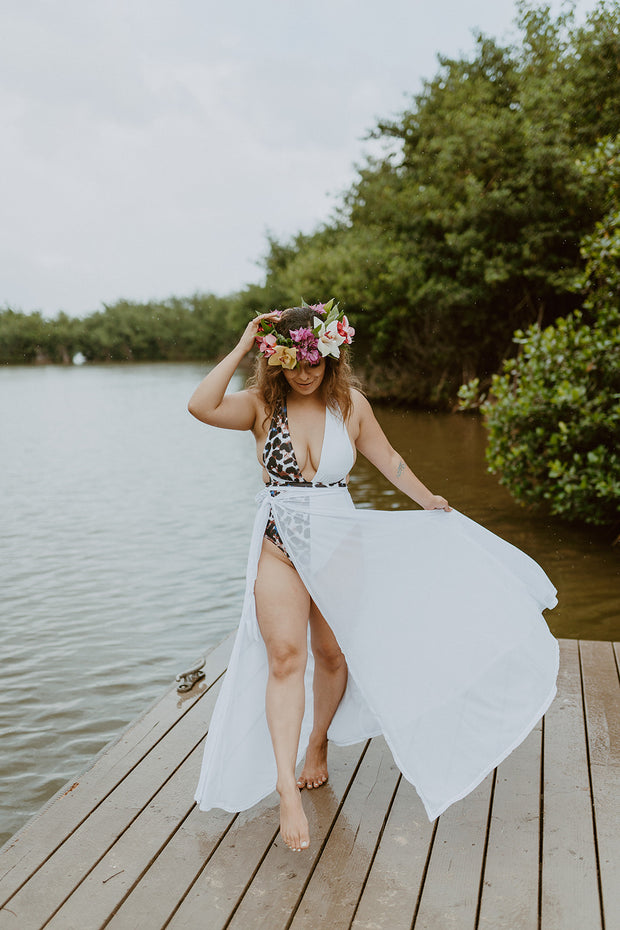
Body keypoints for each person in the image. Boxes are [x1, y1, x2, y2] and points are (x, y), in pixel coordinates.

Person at [188, 301, 558, 854]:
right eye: (293, 363)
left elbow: (389, 458)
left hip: (340, 544)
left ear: (331, 356)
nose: (305, 373)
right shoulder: (262, 406)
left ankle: (317, 745)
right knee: (286, 658)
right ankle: (286, 787)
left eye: (314, 362)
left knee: (333, 655)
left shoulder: (349, 406)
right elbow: (200, 405)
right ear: (277, 362)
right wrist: (243, 344)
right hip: (280, 546)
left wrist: (429, 500)